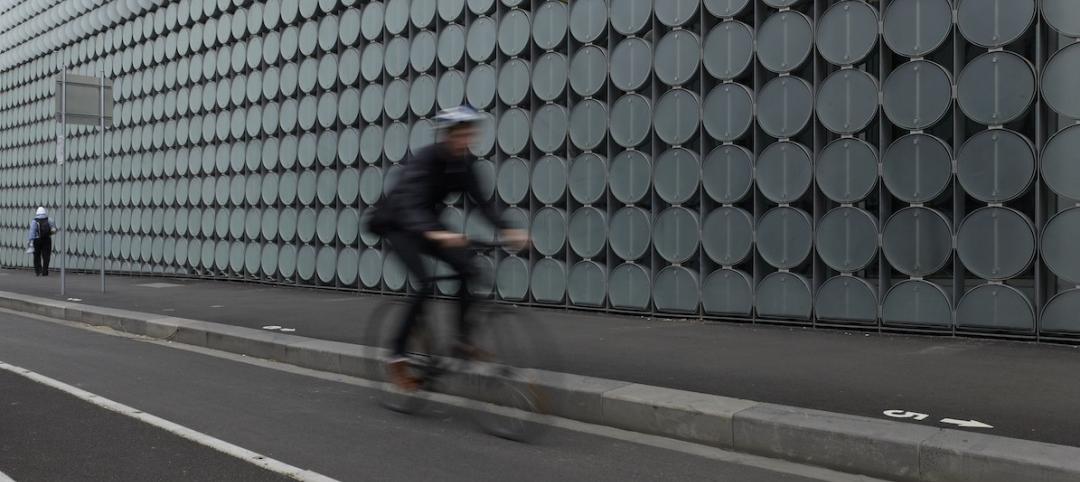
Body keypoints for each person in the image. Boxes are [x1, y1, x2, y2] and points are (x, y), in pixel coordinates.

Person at [368, 106, 529, 390]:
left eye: (470, 133)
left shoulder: (464, 165)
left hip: (430, 225)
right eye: (461, 133)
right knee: (425, 285)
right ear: (448, 135)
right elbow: (409, 201)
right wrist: (436, 233)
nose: (466, 139)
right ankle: (396, 356)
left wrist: (508, 229)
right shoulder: (426, 159)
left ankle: (462, 341)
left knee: (468, 268)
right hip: (398, 223)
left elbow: (483, 203)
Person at [27, 207, 57, 277]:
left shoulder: (34, 221)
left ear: (37, 213)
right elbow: (54, 230)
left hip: (37, 240)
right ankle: (45, 271)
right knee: (46, 256)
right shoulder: (49, 219)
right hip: (47, 239)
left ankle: (38, 271)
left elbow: (32, 233)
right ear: (44, 212)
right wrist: (49, 234)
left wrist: (30, 241)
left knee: (37, 256)